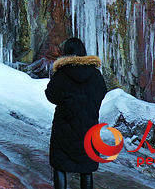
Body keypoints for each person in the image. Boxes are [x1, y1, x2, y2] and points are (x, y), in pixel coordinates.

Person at [45, 37, 108, 189]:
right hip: (88, 125)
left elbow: (51, 95)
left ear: (67, 53)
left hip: (64, 126)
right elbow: (102, 92)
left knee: (60, 165)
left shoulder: (62, 73)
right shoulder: (95, 74)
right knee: (86, 167)